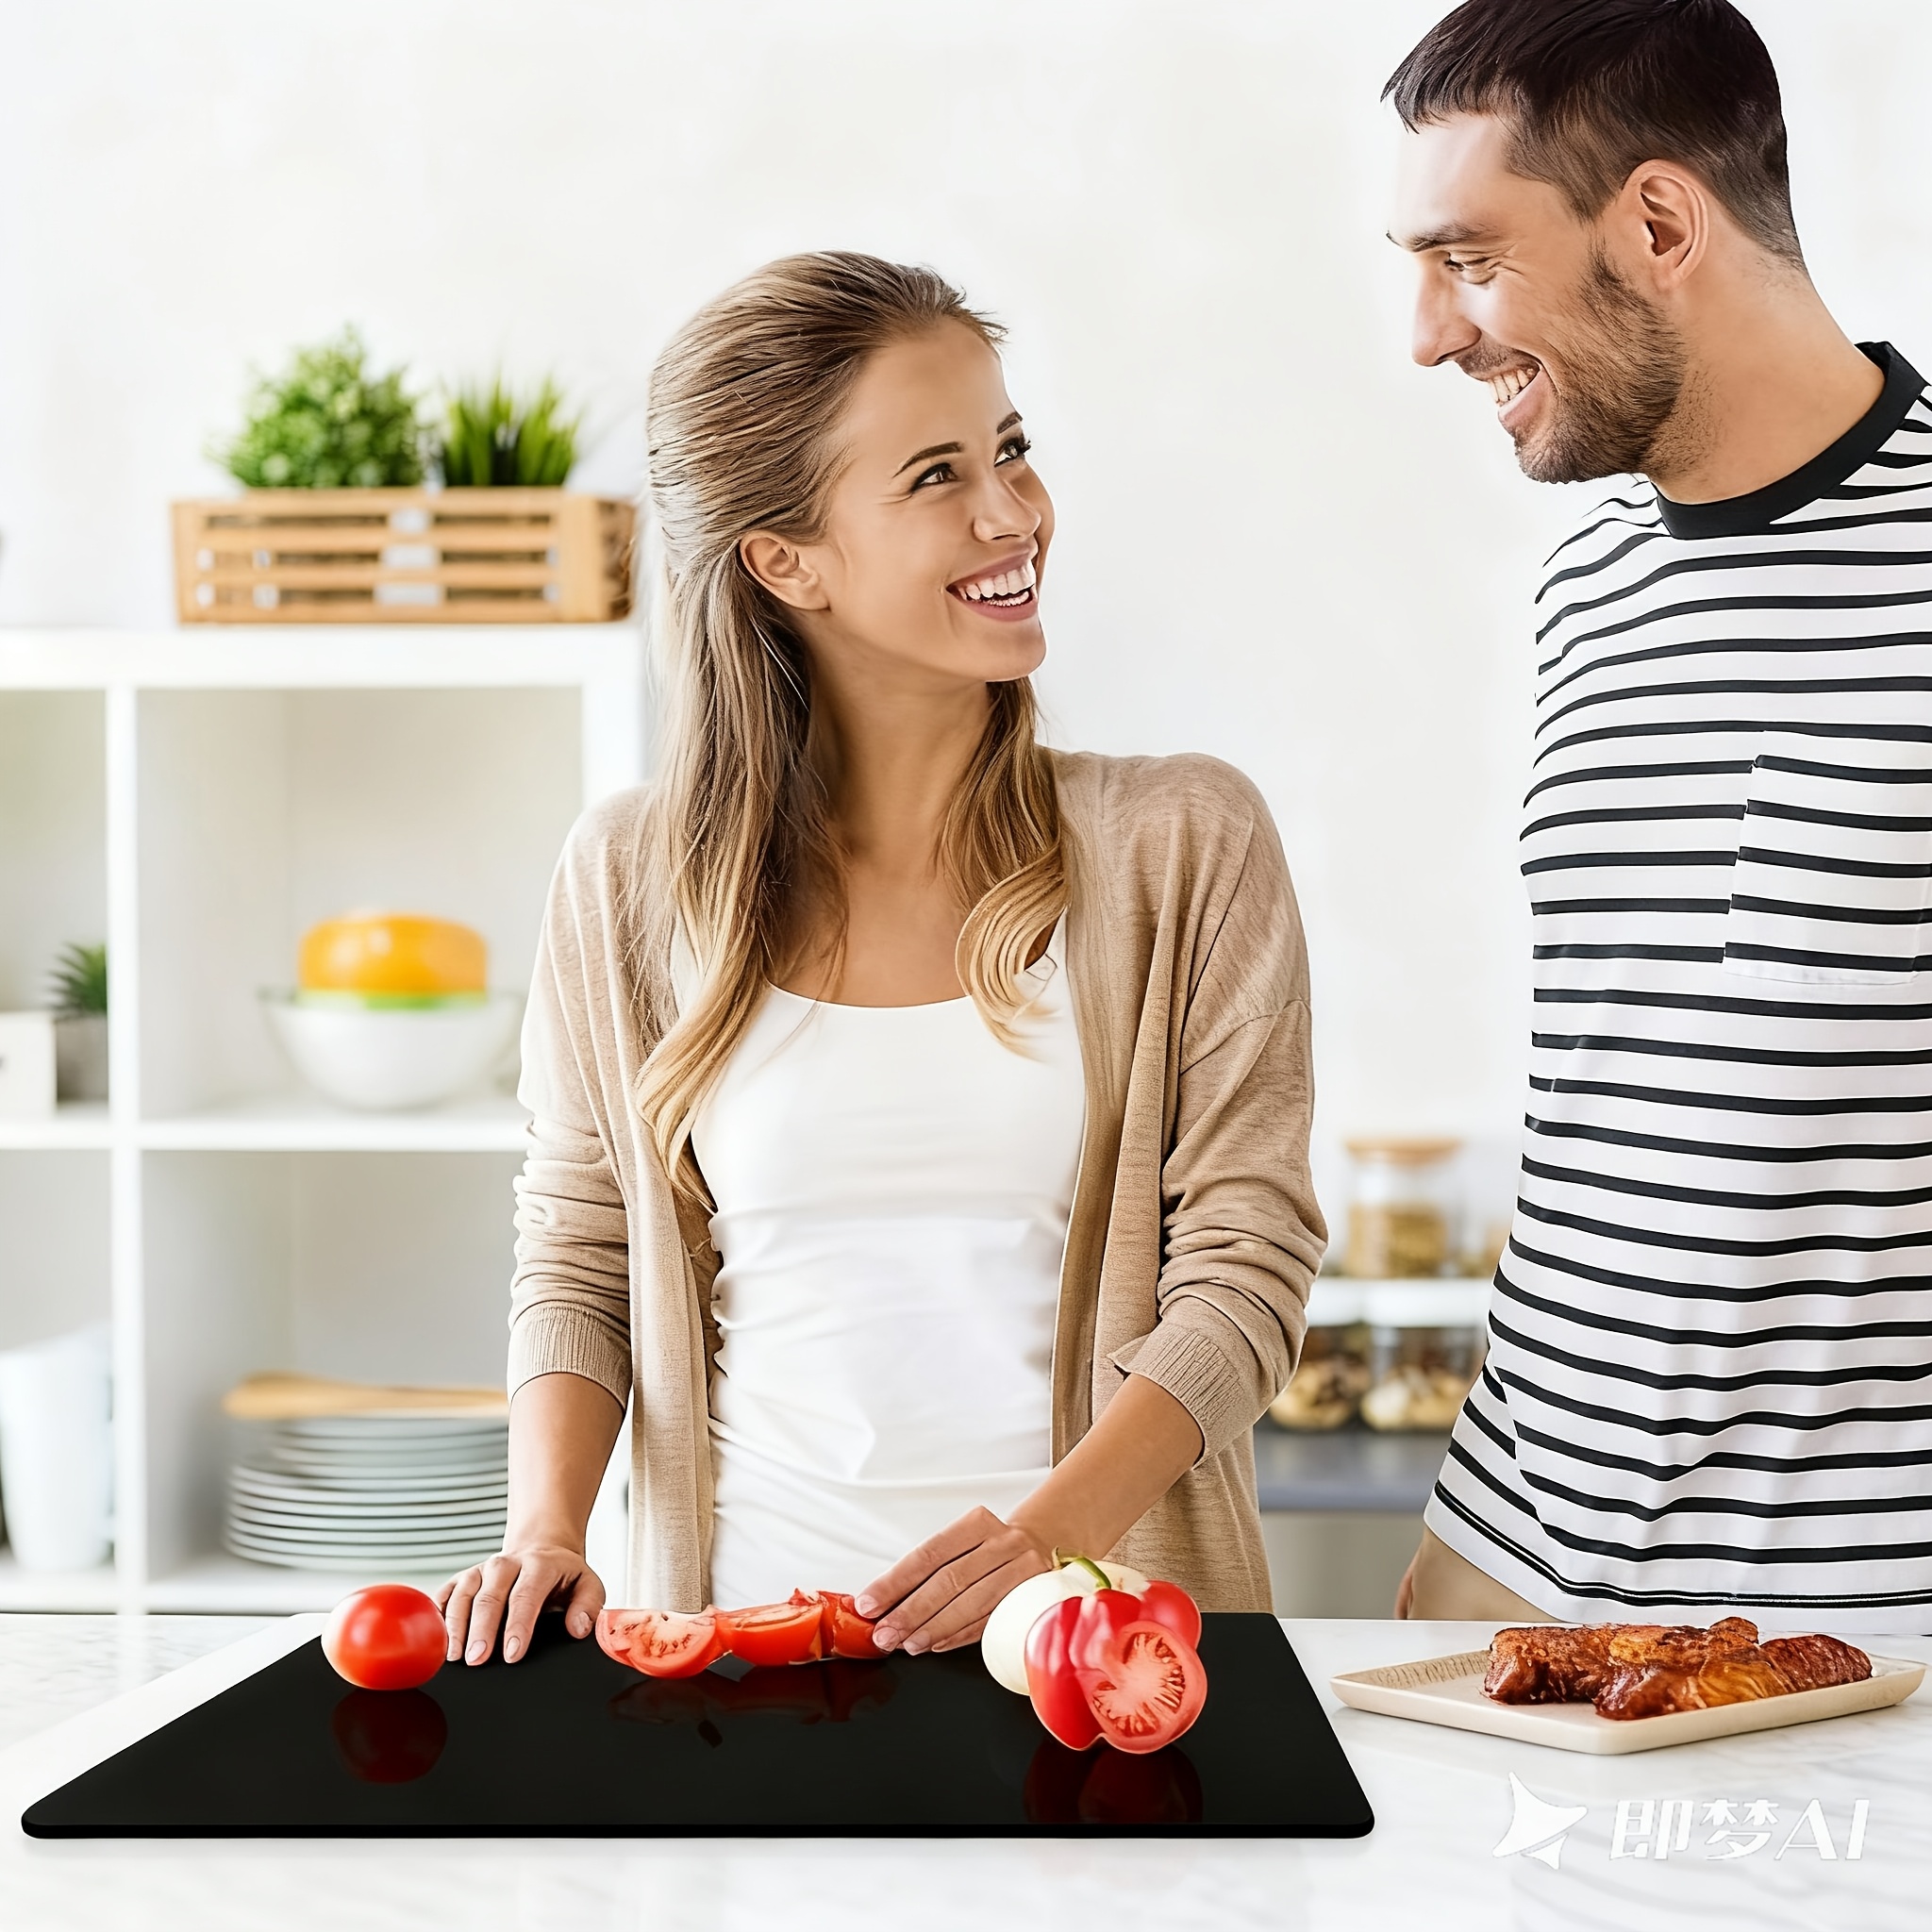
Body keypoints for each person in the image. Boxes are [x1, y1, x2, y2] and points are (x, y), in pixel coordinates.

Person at [439, 252, 1324, 1666]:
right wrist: (547, 1530)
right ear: (786, 560)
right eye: (935, 475)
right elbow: (582, 1250)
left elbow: (1247, 1267)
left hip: (1094, 1653)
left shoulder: (1182, 841)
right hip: (733, 1657)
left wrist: (1050, 1537)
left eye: (1013, 451)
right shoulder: (626, 880)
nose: (1011, 511)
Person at [1384, 0, 1932, 1627]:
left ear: (1663, 221)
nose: (1425, 332)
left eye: (1469, 258)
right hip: (1516, 1571)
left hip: (1859, 1624)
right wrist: (1470, 1561)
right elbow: (1621, 1105)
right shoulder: (1587, 593)